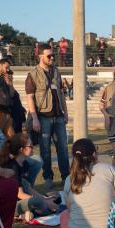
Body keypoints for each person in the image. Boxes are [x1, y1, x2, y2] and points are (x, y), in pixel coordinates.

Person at [61, 138, 115, 228]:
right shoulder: (109, 169)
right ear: (94, 154)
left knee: (64, 215)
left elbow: (70, 209)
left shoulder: (69, 179)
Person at [25, 44, 69, 191]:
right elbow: (30, 98)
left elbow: (62, 94)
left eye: (53, 56)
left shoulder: (57, 72)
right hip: (43, 116)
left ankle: (66, 177)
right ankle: (48, 178)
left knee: (62, 147)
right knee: (45, 150)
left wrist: (66, 112)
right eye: (49, 56)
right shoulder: (33, 74)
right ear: (40, 56)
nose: (52, 58)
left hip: (59, 116)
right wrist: (35, 118)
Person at [0, 133, 58, 221]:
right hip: (9, 205)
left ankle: (28, 213)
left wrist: (45, 198)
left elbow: (29, 188)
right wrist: (44, 201)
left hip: (22, 200)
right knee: (39, 202)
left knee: (55, 196)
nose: (33, 147)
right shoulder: (13, 167)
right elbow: (20, 194)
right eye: (30, 146)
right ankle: (22, 214)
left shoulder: (24, 163)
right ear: (22, 150)